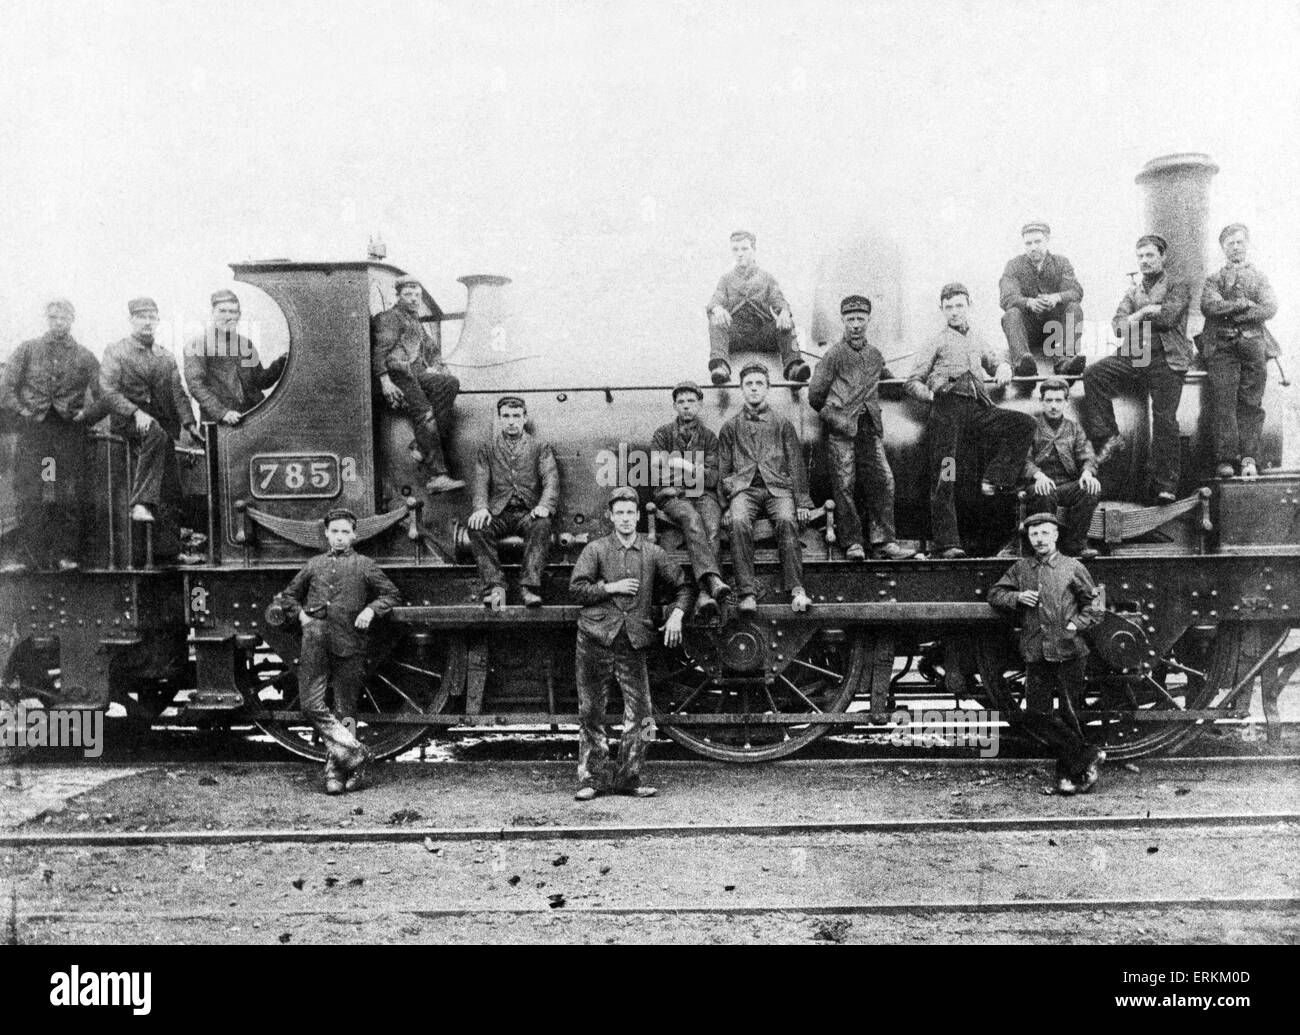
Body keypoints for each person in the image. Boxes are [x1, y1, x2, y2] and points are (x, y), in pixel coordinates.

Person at [569, 487, 692, 800]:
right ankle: (591, 779)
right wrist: (611, 587)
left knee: (645, 715)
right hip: (595, 638)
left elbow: (683, 587)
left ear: (638, 516)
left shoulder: (652, 553)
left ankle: (631, 778)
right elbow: (577, 590)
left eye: (630, 513)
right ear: (611, 517)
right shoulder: (596, 550)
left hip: (633, 641)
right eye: (619, 513)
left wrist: (677, 614)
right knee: (591, 712)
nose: (625, 519)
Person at [270, 508, 401, 794]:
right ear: (327, 534)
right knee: (310, 704)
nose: (340, 537)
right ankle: (356, 753)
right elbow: (289, 596)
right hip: (315, 641)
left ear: (354, 535)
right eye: (335, 532)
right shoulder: (314, 564)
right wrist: (302, 618)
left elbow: (391, 594)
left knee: (346, 709)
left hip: (350, 642)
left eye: (345, 532)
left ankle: (336, 772)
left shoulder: (365, 565)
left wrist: (371, 609)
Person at [906, 283, 1035, 558]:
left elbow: (994, 359)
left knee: (1024, 424)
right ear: (942, 310)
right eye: (949, 307)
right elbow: (912, 381)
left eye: (959, 306)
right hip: (947, 416)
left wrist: (1003, 367)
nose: (954, 312)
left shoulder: (977, 338)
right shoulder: (936, 341)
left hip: (977, 411)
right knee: (946, 475)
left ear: (969, 306)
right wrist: (930, 395)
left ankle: (995, 477)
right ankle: (948, 543)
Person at [988, 512, 1106, 794]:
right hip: (1036, 650)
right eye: (1034, 534)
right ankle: (1087, 754)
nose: (1039, 539)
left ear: (1055, 536)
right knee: (1036, 714)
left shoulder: (1072, 567)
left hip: (1069, 650)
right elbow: (994, 594)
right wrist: (1016, 597)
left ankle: (1069, 777)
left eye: (1044, 533)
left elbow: (1096, 606)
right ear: (1028, 539)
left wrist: (1075, 623)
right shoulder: (1021, 568)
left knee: (1069, 714)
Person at [1082, 234, 1193, 504]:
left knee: (1165, 418)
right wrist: (1144, 313)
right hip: (1135, 355)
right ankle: (1110, 437)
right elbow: (1118, 327)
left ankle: (1166, 484)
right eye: (1140, 256)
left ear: (1162, 257)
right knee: (1094, 374)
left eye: (1150, 255)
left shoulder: (1178, 285)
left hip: (1167, 358)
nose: (1144, 261)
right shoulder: (1133, 292)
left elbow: (1168, 317)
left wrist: (1136, 316)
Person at [807, 294, 915, 561]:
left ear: (868, 320)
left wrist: (912, 384)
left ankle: (884, 541)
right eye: (850, 319)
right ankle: (852, 542)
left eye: (860, 318)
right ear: (843, 320)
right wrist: (838, 420)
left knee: (883, 481)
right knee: (844, 485)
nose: (855, 324)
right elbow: (815, 397)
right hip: (842, 431)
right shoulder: (833, 355)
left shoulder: (875, 355)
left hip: (869, 429)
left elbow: (887, 380)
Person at [0, 298, 101, 572]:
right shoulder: (27, 350)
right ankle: (28, 557)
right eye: (54, 318)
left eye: (64, 318)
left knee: (66, 492)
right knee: (31, 491)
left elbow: (104, 395)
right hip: (35, 434)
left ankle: (65, 555)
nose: (59, 323)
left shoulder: (84, 356)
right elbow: (6, 388)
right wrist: (23, 412)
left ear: (72, 320)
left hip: (67, 435)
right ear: (47, 318)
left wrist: (86, 415)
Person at [99, 297, 203, 562]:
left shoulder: (165, 355)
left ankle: (169, 552)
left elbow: (178, 392)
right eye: (141, 317)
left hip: (161, 430)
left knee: (170, 488)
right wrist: (135, 411)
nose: (147, 322)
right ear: (131, 320)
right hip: (129, 424)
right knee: (155, 432)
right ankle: (141, 503)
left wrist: (190, 424)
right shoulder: (117, 351)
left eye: (152, 317)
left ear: (157, 321)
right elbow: (108, 391)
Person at [718, 363, 814, 611]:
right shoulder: (730, 427)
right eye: (748, 384)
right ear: (741, 389)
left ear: (768, 388)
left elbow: (796, 464)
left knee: (786, 519)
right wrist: (725, 506)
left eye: (759, 383)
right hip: (744, 490)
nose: (754, 388)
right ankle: (747, 593)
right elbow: (723, 469)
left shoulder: (782, 424)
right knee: (738, 522)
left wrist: (802, 501)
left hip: (777, 489)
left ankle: (796, 589)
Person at [1200, 223, 1280, 479]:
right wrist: (1243, 305)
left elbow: (1269, 307)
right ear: (1223, 248)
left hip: (1254, 346)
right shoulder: (1214, 278)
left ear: (1247, 245)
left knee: (1251, 404)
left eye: (1239, 242)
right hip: (1222, 347)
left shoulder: (1259, 277)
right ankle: (1226, 459)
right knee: (1224, 402)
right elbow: (1210, 307)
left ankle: (1249, 459)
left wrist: (1232, 311)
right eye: (1230, 243)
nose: (1235, 247)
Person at [371, 275, 464, 494]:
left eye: (417, 295)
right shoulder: (390, 318)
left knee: (449, 383)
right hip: (398, 374)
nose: (414, 299)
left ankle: (421, 445)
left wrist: (441, 368)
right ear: (398, 296)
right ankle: (437, 476)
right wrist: (385, 381)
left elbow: (431, 350)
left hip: (415, 374)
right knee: (424, 413)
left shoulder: (414, 321)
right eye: (408, 295)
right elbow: (379, 352)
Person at [467, 395, 559, 609]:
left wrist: (544, 506)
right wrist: (481, 508)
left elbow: (551, 479)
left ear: (525, 418)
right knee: (477, 529)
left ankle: (529, 589)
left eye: (516, 416)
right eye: (506, 416)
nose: (511, 421)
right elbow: (481, 481)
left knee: (542, 525)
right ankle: (495, 590)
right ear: (499, 419)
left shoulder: (540, 447)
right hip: (499, 512)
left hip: (529, 512)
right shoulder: (487, 449)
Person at [650, 381, 731, 616]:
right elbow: (658, 473)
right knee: (691, 518)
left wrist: (684, 466)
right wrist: (695, 472)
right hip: (673, 497)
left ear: (700, 405)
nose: (686, 406)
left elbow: (714, 477)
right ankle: (712, 581)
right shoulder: (662, 435)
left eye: (691, 401)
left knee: (713, 525)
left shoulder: (709, 438)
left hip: (703, 494)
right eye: (681, 402)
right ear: (675, 406)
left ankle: (706, 595)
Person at [706, 230, 809, 385]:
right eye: (735, 249)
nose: (740, 254)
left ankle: (794, 366)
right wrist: (717, 309)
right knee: (715, 320)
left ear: (753, 250)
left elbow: (778, 299)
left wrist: (784, 312)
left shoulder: (766, 278)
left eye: (744, 249)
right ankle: (720, 367)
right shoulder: (726, 280)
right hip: (737, 335)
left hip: (762, 334)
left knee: (785, 322)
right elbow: (715, 300)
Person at [1021, 378, 1100, 558]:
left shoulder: (1074, 428)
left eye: (1058, 401)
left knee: (1091, 488)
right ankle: (1046, 549)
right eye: (1049, 401)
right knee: (1044, 492)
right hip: (1039, 485)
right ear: (1042, 402)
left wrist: (1087, 473)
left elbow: (1087, 455)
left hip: (1066, 486)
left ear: (1066, 402)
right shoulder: (1031, 427)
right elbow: (1023, 460)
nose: (1053, 406)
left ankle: (1076, 543)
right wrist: (1038, 476)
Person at [183, 289, 287, 426]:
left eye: (232, 312)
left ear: (239, 315)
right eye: (222, 311)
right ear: (212, 313)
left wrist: (282, 362)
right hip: (221, 425)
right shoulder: (197, 345)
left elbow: (261, 381)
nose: (228, 317)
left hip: (253, 417)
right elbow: (196, 385)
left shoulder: (245, 344)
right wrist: (222, 413)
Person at [998, 222, 1086, 377]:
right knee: (1011, 313)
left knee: (1074, 308)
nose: (1033, 247)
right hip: (1029, 332)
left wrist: (1056, 297)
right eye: (1028, 243)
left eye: (1037, 242)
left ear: (1047, 240)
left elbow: (1076, 291)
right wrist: (1028, 303)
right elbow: (1006, 297)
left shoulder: (1061, 263)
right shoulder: (1014, 265)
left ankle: (1065, 361)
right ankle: (1023, 363)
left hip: (1056, 332)